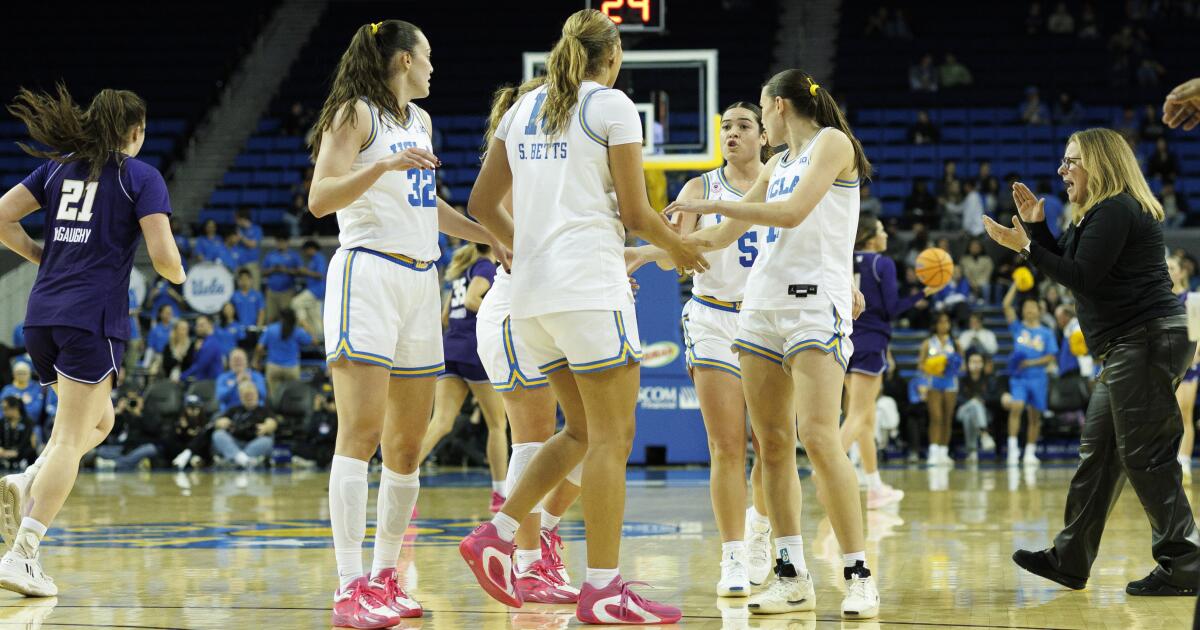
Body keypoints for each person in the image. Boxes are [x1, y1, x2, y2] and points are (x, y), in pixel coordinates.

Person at [460, 10, 705, 624]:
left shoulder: (523, 108)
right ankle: (604, 588)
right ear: (613, 55)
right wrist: (680, 251)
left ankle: (498, 533)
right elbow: (637, 213)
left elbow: (481, 203)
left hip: (531, 297)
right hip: (590, 289)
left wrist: (521, 247)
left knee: (581, 432)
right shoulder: (612, 105)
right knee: (613, 440)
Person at [660, 68, 879, 618]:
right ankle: (791, 574)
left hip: (813, 305)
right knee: (773, 446)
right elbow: (721, 236)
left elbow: (791, 212)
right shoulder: (778, 163)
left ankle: (858, 574)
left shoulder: (832, 144)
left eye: (759, 111)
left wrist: (713, 205)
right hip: (760, 309)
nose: (757, 122)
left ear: (779, 107)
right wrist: (646, 249)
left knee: (819, 438)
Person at [307, 18, 503, 626]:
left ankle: (385, 576)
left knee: (407, 445)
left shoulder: (420, 121)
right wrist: (382, 168)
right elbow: (320, 198)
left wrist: (492, 236)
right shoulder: (353, 113)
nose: (433, 67)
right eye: (428, 56)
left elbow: (427, 207)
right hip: (367, 273)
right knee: (360, 433)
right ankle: (349, 586)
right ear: (403, 60)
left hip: (422, 280)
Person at [984, 127, 1200, 596]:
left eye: (1071, 161)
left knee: (1147, 455)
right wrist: (1036, 229)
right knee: (1099, 454)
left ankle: (1185, 562)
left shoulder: (1117, 208)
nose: (1062, 170)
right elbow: (1067, 263)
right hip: (1131, 344)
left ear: (1098, 163)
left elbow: (1081, 276)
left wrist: (1026, 247)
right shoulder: (1096, 213)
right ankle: (1070, 558)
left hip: (1144, 340)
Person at [0, 84, 184, 596]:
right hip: (91, 319)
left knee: (100, 422)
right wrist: (180, 275)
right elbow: (164, 257)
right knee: (69, 438)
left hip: (41, 317)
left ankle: (28, 478)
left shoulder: (57, 168)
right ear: (136, 131)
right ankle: (22, 555)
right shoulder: (140, 176)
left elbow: (1, 216)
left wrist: (42, 256)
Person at [639, 100, 773, 594]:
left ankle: (760, 529)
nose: (732, 133)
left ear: (764, 135)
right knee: (726, 445)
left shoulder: (781, 183)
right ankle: (733, 555)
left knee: (771, 445)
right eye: (726, 127)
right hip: (713, 316)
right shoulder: (699, 188)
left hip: (767, 319)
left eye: (744, 126)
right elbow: (676, 256)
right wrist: (654, 249)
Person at [842, 213, 932, 509]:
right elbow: (891, 309)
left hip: (846, 341)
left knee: (865, 419)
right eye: (881, 230)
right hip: (871, 342)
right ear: (870, 237)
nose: (886, 235)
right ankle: (825, 468)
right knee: (858, 416)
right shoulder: (883, 263)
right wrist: (922, 293)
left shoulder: (844, 259)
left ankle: (875, 487)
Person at [417, 243, 508, 511]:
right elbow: (471, 300)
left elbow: (445, 316)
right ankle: (500, 494)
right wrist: (502, 319)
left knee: (441, 423)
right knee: (497, 425)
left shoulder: (461, 272)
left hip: (450, 347)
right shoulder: (485, 268)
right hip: (473, 349)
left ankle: (402, 482)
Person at [1002, 283, 1057, 467]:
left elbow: (1050, 356)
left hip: (1038, 378)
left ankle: (1030, 452)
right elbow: (1006, 305)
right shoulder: (1018, 328)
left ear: (1039, 311)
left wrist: (1031, 363)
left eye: (1033, 307)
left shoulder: (1046, 333)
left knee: (1035, 416)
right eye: (1026, 307)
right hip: (1019, 378)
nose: (1029, 310)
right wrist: (1015, 285)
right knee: (1016, 407)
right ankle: (1012, 449)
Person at [1170, 256, 1200, 480]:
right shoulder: (1158, 298)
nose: (1168, 271)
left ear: (1181, 272)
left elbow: (1197, 334)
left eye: (1171, 268)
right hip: (1163, 364)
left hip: (1187, 364)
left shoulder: (1192, 298)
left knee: (1184, 413)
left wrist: (1194, 357)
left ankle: (1185, 461)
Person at [918, 313, 960, 465]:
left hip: (950, 384)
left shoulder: (955, 343)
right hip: (933, 383)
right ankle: (934, 452)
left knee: (947, 418)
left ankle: (944, 452)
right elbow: (921, 364)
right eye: (941, 322)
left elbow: (961, 363)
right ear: (935, 324)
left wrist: (951, 366)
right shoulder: (928, 343)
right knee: (936, 417)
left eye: (946, 321)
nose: (944, 325)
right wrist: (933, 368)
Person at [210, 380, 277, 469]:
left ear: (257, 395)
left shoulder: (265, 411)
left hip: (255, 443)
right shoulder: (234, 410)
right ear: (241, 397)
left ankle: (235, 459)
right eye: (246, 395)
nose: (249, 397)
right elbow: (218, 422)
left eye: (251, 395)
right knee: (218, 434)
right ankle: (244, 460)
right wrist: (221, 422)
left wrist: (267, 427)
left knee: (267, 441)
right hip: (235, 443)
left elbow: (272, 423)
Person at [255, 308, 311, 403]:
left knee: (274, 398)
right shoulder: (297, 331)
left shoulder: (271, 329)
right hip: (291, 368)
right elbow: (313, 340)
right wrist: (305, 325)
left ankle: (276, 411)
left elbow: (259, 347)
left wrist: (257, 361)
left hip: (273, 367)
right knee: (292, 397)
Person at [956, 352, 999, 462]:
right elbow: (958, 398)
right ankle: (984, 434)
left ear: (983, 364)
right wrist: (973, 401)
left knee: (970, 415)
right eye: (973, 361)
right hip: (962, 410)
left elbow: (994, 397)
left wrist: (983, 400)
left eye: (978, 361)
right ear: (967, 364)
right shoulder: (961, 380)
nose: (976, 364)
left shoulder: (990, 379)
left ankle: (972, 451)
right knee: (974, 404)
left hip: (984, 413)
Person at [292, 240, 328, 342]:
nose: (305, 253)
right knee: (316, 319)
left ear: (311, 249)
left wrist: (305, 271)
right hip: (314, 291)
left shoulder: (319, 258)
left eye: (305, 250)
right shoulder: (313, 260)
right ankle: (319, 343)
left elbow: (320, 275)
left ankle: (303, 323)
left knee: (296, 302)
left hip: (316, 290)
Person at [262, 237, 302, 323]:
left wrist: (286, 270)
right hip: (271, 291)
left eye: (283, 242)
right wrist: (273, 269)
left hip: (287, 291)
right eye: (278, 242)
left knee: (286, 318)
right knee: (270, 317)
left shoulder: (293, 255)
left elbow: (300, 272)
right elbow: (263, 272)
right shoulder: (271, 255)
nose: (280, 244)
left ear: (287, 242)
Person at [216, 348, 267, 413]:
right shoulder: (223, 377)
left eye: (240, 359)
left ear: (246, 361)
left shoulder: (256, 376)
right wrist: (235, 382)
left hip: (254, 411)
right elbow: (220, 397)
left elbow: (263, 395)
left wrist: (251, 382)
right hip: (230, 411)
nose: (238, 362)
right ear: (229, 362)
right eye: (235, 360)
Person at [179, 315, 223, 384]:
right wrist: (196, 351)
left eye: (201, 325)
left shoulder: (210, 344)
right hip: (204, 381)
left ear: (210, 325)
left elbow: (200, 365)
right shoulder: (204, 342)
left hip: (210, 383)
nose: (198, 328)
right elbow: (196, 362)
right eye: (197, 325)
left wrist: (181, 376)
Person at [0, 398, 36, 470]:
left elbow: (26, 441)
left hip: (22, 455)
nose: (4, 412)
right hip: (5, 454)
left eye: (6, 409)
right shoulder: (2, 422)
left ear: (15, 408)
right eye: (2, 409)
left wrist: (16, 452)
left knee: (31, 452)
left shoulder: (27, 422)